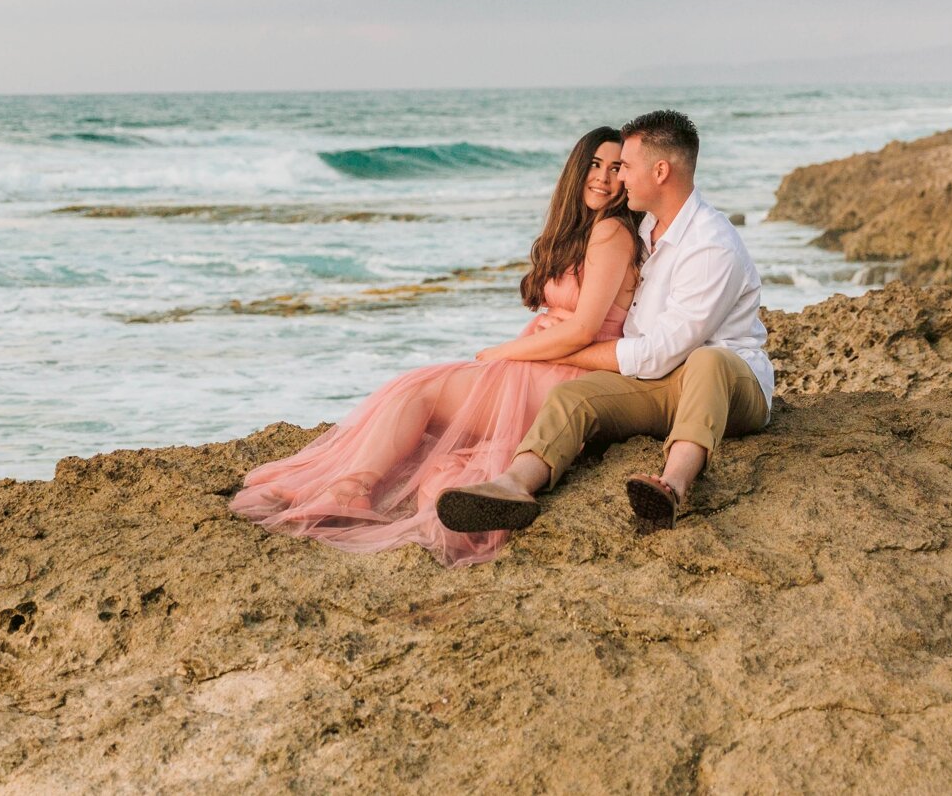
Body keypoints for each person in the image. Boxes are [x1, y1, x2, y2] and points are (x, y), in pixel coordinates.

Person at [227, 126, 644, 566]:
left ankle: (353, 490)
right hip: (544, 363)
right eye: (594, 165)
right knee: (435, 446)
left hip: (565, 376)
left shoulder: (612, 233)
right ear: (577, 170)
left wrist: (499, 353)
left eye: (617, 168)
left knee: (418, 391)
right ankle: (359, 488)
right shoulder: (586, 231)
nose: (604, 178)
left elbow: (583, 330)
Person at [435, 109, 773, 535]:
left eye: (626, 167)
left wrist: (570, 345)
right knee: (574, 395)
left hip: (729, 387)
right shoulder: (647, 227)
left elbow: (658, 353)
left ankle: (670, 486)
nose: (620, 179)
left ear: (661, 170)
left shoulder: (711, 245)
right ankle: (514, 485)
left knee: (709, 361)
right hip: (661, 384)